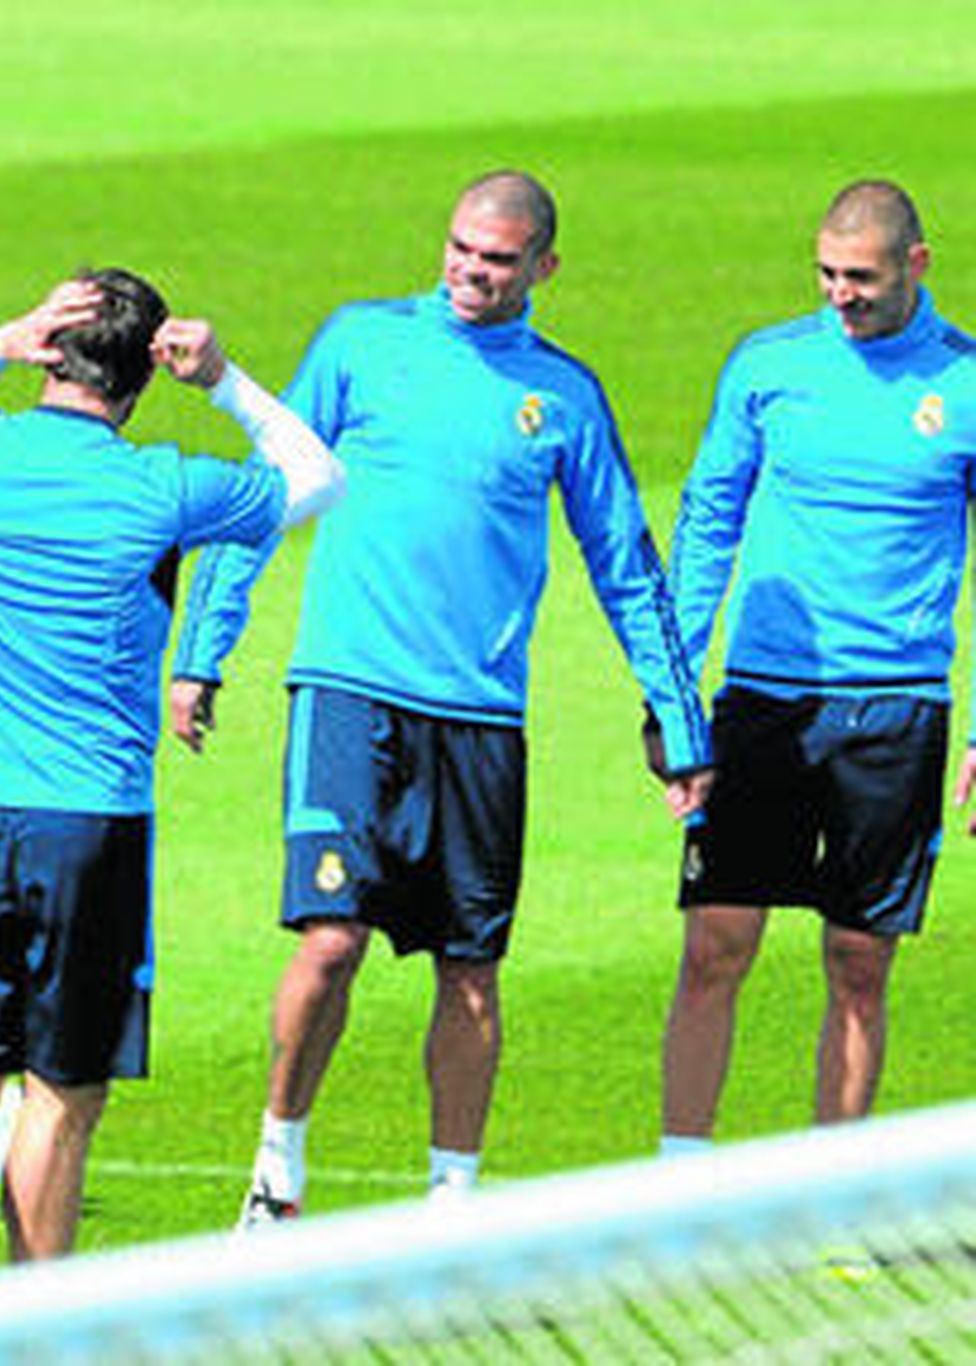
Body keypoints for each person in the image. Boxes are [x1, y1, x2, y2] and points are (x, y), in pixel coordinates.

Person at [169, 169, 713, 1226]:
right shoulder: (360, 342)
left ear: (542, 268)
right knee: (329, 941)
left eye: (497, 258)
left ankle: (450, 1209)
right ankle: (275, 1176)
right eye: (461, 247)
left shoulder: (563, 397)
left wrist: (678, 723)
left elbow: (626, 567)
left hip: (477, 720)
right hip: (347, 694)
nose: (470, 269)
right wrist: (202, 651)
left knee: (469, 971)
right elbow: (264, 490)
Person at [0, 268, 344, 1285]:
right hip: (86, 826)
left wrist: (7, 335)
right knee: (62, 1089)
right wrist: (224, 380)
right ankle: (38, 1327)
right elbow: (316, 476)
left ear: (52, 355)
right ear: (147, 368)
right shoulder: (161, 485)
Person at [660, 180, 976, 1149]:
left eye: (861, 279)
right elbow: (706, 522)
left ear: (914, 266)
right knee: (716, 942)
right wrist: (670, 701)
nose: (839, 295)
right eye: (827, 275)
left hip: (895, 707)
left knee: (857, 960)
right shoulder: (768, 366)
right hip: (764, 700)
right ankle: (675, 1185)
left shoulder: (963, 383)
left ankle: (833, 1203)